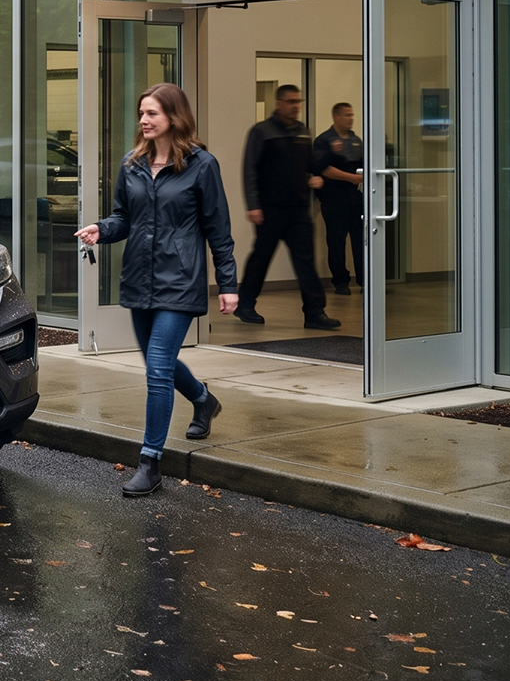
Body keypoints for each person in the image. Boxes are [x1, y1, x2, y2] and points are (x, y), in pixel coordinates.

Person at [75, 83, 238, 499]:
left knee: (159, 366)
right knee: (156, 362)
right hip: (139, 278)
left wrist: (229, 284)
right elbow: (123, 218)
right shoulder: (132, 165)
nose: (144, 121)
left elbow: (219, 230)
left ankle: (150, 461)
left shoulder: (202, 166)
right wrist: (102, 229)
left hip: (180, 279)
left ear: (174, 117)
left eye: (152, 114)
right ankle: (203, 399)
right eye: (142, 113)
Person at [234, 84, 339, 330]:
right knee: (261, 258)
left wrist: (318, 172)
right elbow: (250, 169)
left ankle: (314, 313)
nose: (295, 107)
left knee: (306, 261)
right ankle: (245, 304)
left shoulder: (303, 132)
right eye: (291, 102)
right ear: (278, 104)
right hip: (270, 209)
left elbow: (311, 163)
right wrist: (253, 205)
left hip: (298, 209)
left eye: (298, 102)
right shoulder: (261, 131)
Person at [313, 102, 365, 296]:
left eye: (352, 115)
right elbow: (323, 169)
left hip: (355, 197)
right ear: (336, 117)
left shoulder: (356, 140)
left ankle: (364, 281)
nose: (351, 119)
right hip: (334, 198)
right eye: (346, 115)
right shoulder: (324, 141)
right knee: (336, 242)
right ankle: (340, 282)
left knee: (361, 241)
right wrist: (353, 178)